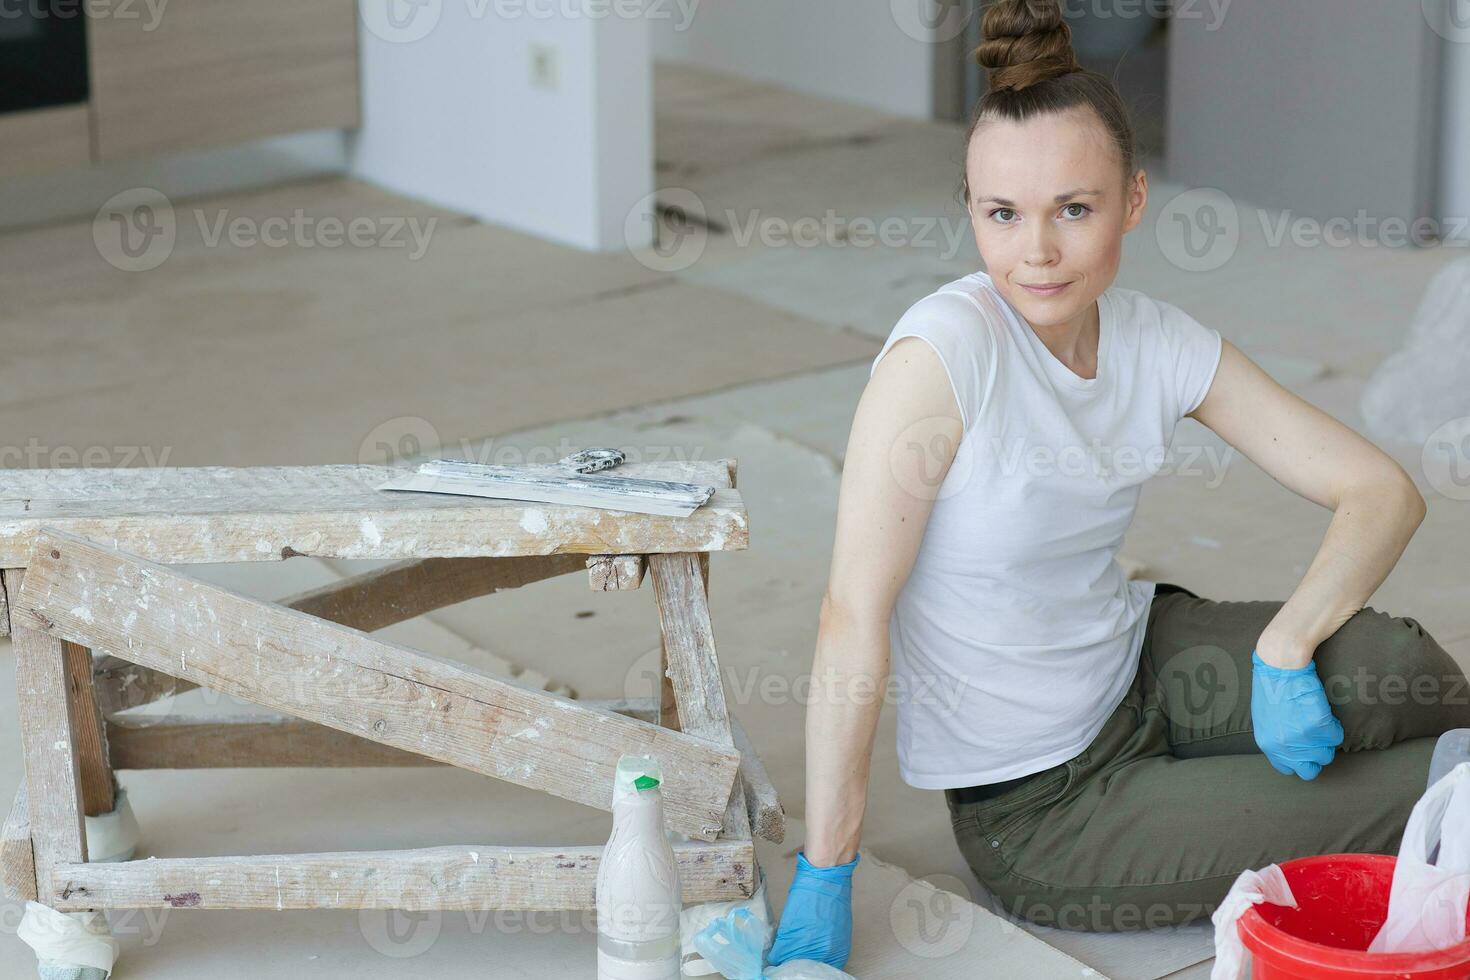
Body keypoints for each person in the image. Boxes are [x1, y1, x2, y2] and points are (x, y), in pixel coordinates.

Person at [765, 0, 1470, 967]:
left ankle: (1240, 761)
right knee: (1433, 787)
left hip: (1138, 668)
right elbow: (851, 612)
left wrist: (1284, 645)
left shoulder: (1151, 338)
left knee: (1407, 671)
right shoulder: (942, 360)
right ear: (970, 206)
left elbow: (1381, 490)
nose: (1037, 252)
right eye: (1001, 214)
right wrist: (825, 869)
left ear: (1132, 201)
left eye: (1074, 209)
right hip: (1046, 806)